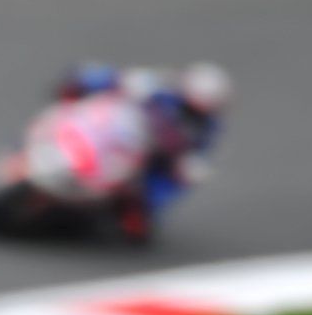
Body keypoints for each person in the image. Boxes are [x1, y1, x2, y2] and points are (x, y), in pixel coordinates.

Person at [51, 62, 230, 239]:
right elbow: (126, 79)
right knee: (92, 78)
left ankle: (135, 208)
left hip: (148, 156)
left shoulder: (206, 128)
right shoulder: (163, 86)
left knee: (154, 198)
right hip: (117, 130)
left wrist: (188, 165)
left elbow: (198, 156)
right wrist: (116, 81)